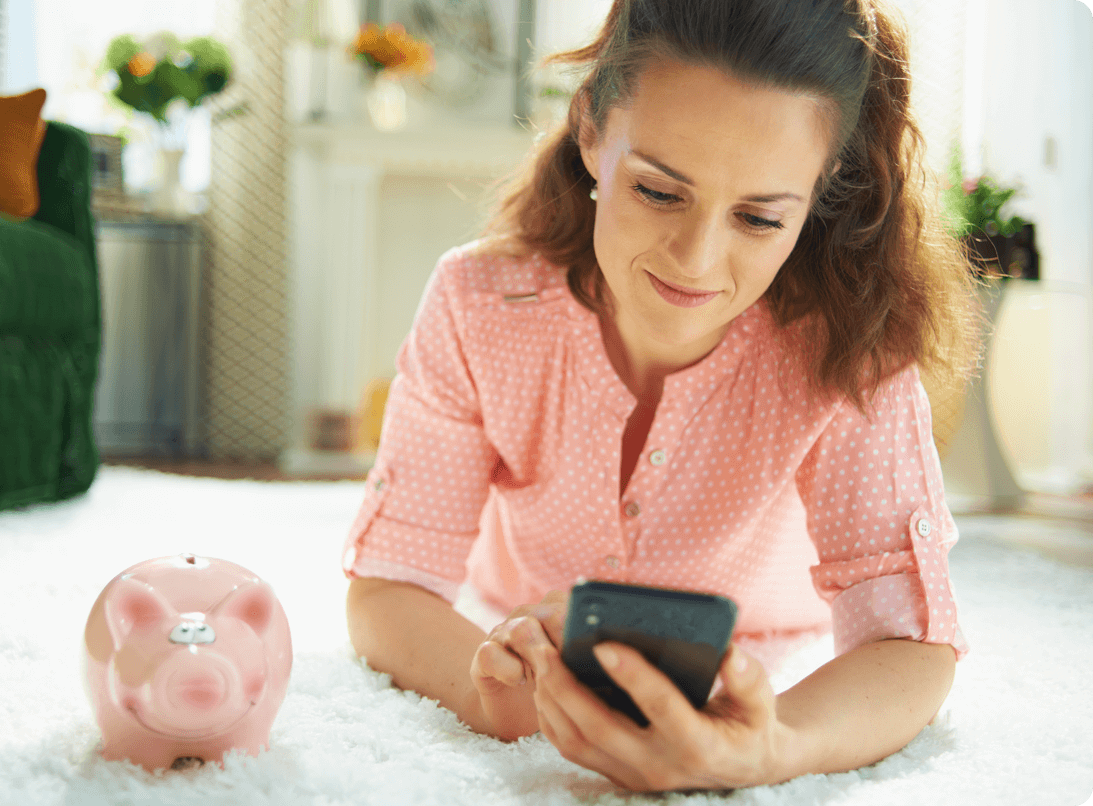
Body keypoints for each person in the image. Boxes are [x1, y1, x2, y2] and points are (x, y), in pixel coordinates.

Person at [342, 0, 982, 792]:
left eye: (759, 218)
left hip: (768, 644)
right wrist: (500, 694)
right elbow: (389, 587)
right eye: (658, 191)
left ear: (821, 193)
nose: (695, 260)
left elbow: (910, 645)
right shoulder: (478, 302)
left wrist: (771, 748)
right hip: (518, 620)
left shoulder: (850, 345)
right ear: (590, 130)